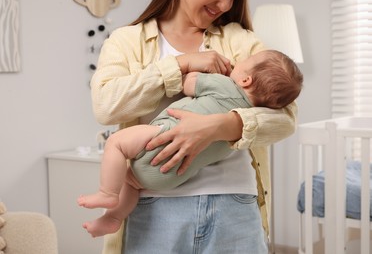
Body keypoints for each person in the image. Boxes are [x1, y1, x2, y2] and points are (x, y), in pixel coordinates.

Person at [90, 0, 298, 253]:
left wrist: (217, 127)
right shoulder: (128, 40)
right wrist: (179, 65)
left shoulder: (239, 39)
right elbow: (106, 106)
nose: (224, 5)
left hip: (233, 204)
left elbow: (286, 118)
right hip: (154, 204)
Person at [79, 49, 303, 237]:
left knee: (116, 144)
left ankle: (108, 194)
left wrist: (190, 68)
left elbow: (188, 83)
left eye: (244, 61)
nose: (238, 61)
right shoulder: (251, 116)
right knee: (133, 182)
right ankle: (114, 217)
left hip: (159, 140)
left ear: (245, 80)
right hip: (172, 177)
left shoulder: (223, 84)